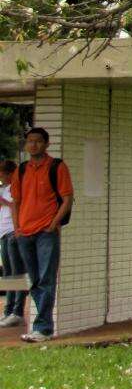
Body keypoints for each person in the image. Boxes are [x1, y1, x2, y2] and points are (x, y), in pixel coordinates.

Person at [12, 128, 73, 342]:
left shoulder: (56, 167)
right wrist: (17, 228)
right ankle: (41, 326)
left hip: (46, 233)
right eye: (30, 141)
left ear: (47, 144)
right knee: (35, 280)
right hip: (25, 233)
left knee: (46, 279)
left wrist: (53, 223)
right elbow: (16, 202)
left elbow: (67, 198)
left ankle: (43, 328)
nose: (33, 145)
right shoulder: (21, 170)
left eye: (38, 141)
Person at [0, 158, 27, 328]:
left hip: (13, 231)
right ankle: (8, 311)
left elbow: (18, 207)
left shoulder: (17, 187)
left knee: (17, 273)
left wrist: (5, 202)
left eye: (2, 174)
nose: (1, 178)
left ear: (10, 173)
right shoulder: (5, 189)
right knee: (8, 274)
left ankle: (17, 311)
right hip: (3, 233)